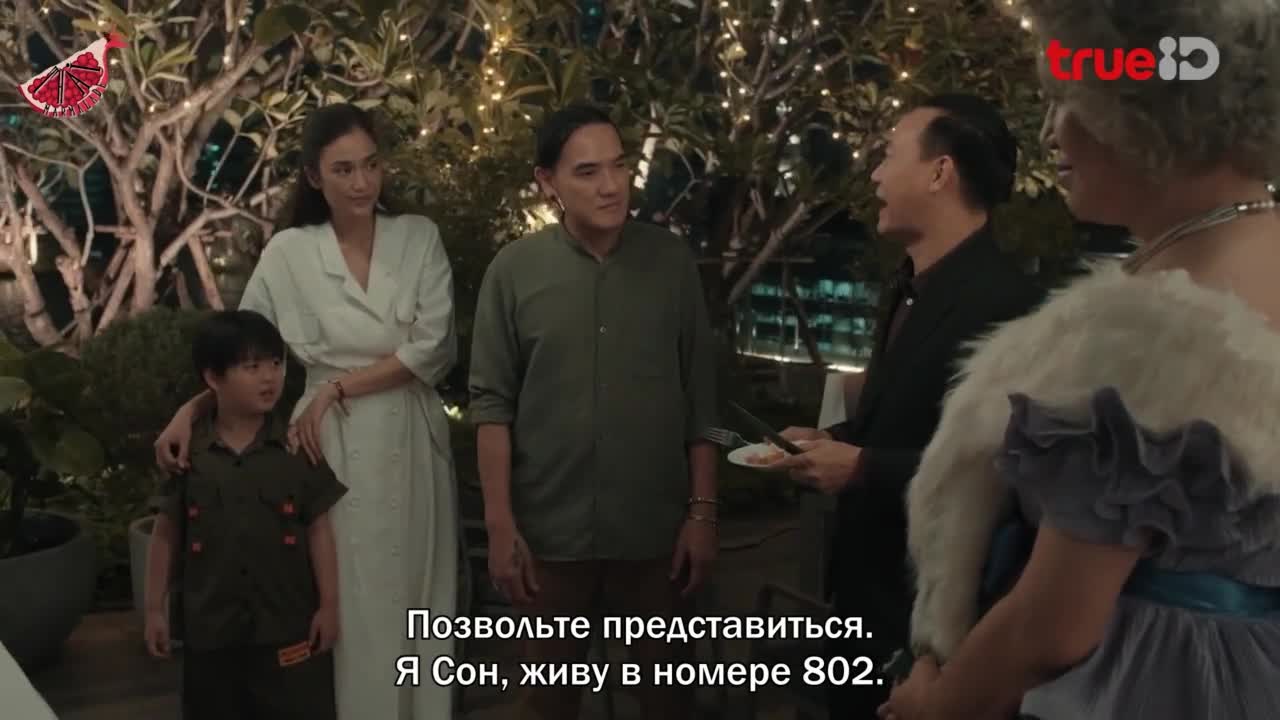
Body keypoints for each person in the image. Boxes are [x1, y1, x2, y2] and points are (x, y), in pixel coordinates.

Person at [880, 1, 1280, 719]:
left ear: (1149, 114)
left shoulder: (1163, 323)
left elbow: (1052, 628)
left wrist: (935, 707)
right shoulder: (1244, 259)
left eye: (1068, 99)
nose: (1048, 132)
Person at [153, 103, 459, 720]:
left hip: (408, 435)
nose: (362, 182)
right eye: (343, 170)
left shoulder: (417, 236)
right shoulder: (290, 253)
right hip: (330, 444)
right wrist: (191, 410)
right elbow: (241, 347)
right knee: (349, 593)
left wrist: (336, 389)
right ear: (315, 177)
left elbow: (433, 346)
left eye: (371, 165)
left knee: (419, 590)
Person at [773, 93, 1046, 718]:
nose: (874, 174)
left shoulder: (1006, 305)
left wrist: (862, 467)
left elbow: (1004, 469)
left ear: (939, 172)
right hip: (860, 603)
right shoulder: (908, 284)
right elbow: (912, 418)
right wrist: (834, 441)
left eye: (889, 155)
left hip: (932, 626)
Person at [468, 103, 719, 720]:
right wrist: (499, 526)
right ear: (546, 182)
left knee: (668, 701)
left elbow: (703, 400)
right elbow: (491, 407)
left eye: (619, 166)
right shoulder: (514, 272)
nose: (611, 186)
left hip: (656, 534)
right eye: (587, 172)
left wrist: (703, 513)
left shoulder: (670, 263)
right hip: (548, 538)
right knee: (547, 703)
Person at [143, 309, 346, 720]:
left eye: (276, 363)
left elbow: (319, 529)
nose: (269, 377)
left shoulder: (296, 447)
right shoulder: (188, 455)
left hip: (287, 626)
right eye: (251, 367)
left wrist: (329, 605)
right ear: (213, 377)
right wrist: (152, 610)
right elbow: (165, 533)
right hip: (210, 630)